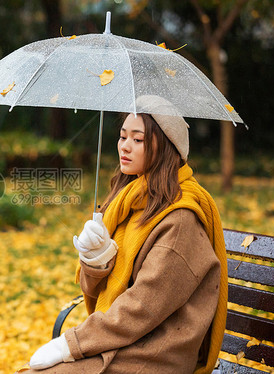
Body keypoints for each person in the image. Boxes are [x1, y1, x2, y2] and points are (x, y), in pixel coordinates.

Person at [23, 95, 228, 374]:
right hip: (123, 340)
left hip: (156, 353)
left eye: (138, 139)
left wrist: (70, 345)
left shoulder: (180, 219)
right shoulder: (127, 202)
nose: (125, 147)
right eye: (122, 137)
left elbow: (143, 307)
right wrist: (96, 260)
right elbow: (92, 289)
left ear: (165, 147)